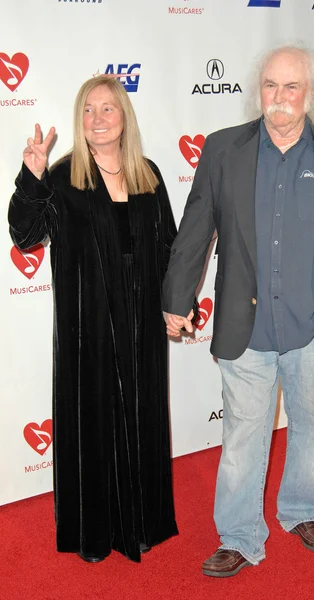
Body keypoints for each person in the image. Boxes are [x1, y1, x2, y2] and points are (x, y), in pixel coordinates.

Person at [163, 45, 314, 577]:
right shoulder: (222, 150)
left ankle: (302, 510)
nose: (280, 99)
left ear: (312, 95)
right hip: (246, 324)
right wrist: (176, 298)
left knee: (311, 425)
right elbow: (195, 230)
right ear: (258, 90)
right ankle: (238, 535)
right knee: (242, 437)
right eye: (271, 86)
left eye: (292, 87)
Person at [9, 75, 180, 563]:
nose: (98, 119)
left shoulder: (148, 174)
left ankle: (144, 521)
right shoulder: (63, 177)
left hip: (143, 327)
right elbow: (25, 236)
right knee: (94, 423)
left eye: (108, 108)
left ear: (124, 116)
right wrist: (32, 177)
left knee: (143, 417)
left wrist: (175, 304)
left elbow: (169, 247)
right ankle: (97, 531)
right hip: (87, 331)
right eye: (89, 110)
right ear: (79, 120)